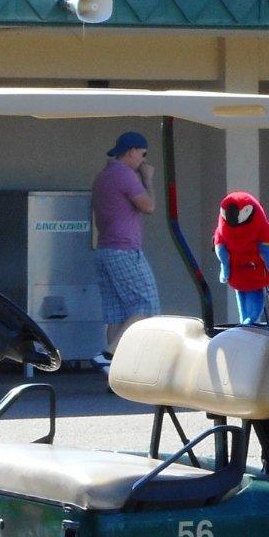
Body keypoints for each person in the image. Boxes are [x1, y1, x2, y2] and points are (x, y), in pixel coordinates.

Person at [90, 130, 159, 368]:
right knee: (146, 305)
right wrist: (148, 179)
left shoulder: (103, 176)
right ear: (131, 152)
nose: (144, 160)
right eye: (143, 154)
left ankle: (112, 374)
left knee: (117, 314)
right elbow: (149, 206)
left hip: (104, 250)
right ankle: (108, 355)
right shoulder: (125, 175)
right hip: (124, 250)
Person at [213, 191, 269, 324]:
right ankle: (247, 322)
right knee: (246, 298)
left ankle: (248, 322)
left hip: (254, 276)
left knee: (253, 300)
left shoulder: (260, 229)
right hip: (243, 276)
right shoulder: (224, 230)